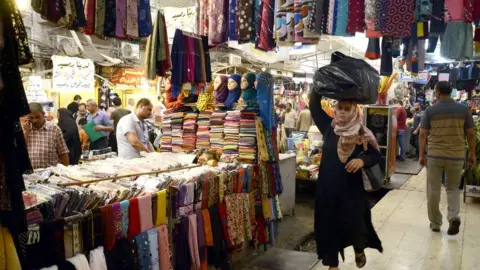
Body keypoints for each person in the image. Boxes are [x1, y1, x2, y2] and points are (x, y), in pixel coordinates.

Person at [309, 93, 383, 270]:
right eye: (339, 107)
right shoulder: (329, 127)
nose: (342, 111)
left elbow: (375, 155)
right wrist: (319, 86)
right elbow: (314, 106)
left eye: (347, 108)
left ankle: (359, 248)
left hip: (352, 190)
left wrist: (362, 161)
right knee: (329, 224)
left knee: (354, 223)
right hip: (328, 188)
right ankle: (332, 264)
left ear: (354, 110)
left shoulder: (362, 132)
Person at [419, 81, 476, 235]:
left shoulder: (430, 110)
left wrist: (421, 155)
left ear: (437, 92)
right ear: (451, 92)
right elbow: (471, 134)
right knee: (453, 187)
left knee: (433, 189)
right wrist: (472, 153)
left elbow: (423, 134)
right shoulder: (464, 109)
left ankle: (436, 223)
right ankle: (453, 216)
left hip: (435, 155)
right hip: (456, 155)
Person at [22, 103, 69, 169]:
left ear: (43, 114)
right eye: (31, 118)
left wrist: (64, 170)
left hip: (50, 174)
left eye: (37, 117)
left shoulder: (54, 129)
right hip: (29, 174)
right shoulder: (24, 130)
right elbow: (20, 151)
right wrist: (26, 132)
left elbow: (63, 152)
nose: (35, 121)